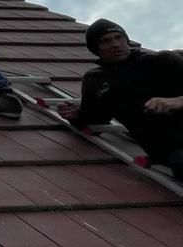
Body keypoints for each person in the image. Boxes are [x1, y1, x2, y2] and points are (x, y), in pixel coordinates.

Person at [56, 19, 183, 180]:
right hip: (169, 150)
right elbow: (94, 119)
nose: (116, 44)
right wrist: (74, 116)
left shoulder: (161, 61)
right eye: (106, 41)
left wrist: (178, 101)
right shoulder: (96, 80)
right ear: (96, 48)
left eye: (119, 37)